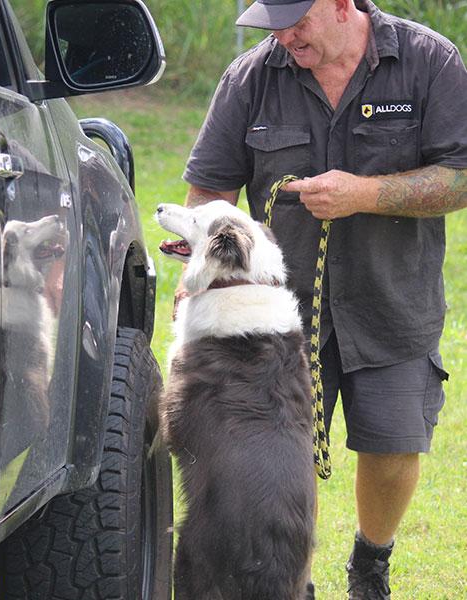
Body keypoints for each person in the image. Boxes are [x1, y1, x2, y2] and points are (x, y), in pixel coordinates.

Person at [180, 0, 467, 598]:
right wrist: (199, 279)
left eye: (297, 22)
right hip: (275, 318)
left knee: (393, 444)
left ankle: (371, 563)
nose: (285, 36)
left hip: (392, 299)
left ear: (341, 4)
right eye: (273, 25)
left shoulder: (428, 60)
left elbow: (460, 175)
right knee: (277, 459)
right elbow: (209, 189)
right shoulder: (251, 78)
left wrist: (365, 193)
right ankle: (295, 581)